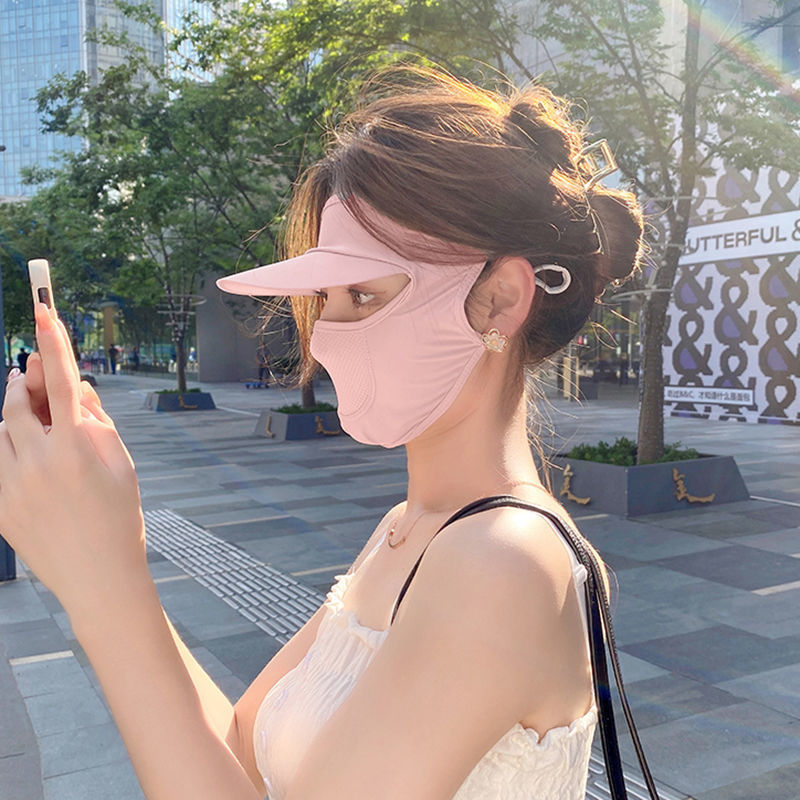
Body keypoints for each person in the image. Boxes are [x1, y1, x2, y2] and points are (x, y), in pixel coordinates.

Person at [4, 65, 643, 800]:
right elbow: (240, 754)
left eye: (362, 294)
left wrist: (102, 584)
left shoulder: (503, 560)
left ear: (498, 301)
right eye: (326, 296)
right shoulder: (409, 528)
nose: (327, 334)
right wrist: (107, 550)